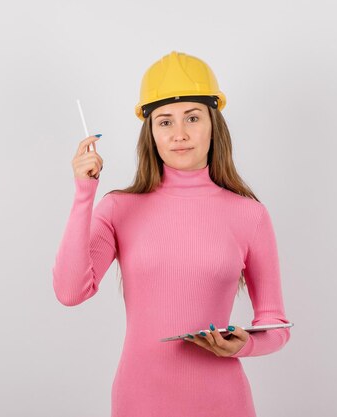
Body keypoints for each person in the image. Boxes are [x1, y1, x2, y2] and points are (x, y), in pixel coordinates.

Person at [51, 51, 291, 417]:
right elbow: (69, 292)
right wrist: (84, 193)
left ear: (214, 125)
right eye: (164, 122)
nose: (179, 134)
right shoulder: (118, 208)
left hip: (223, 403)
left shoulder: (250, 214)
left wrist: (243, 346)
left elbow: (275, 324)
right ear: (150, 131)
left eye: (192, 118)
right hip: (139, 401)